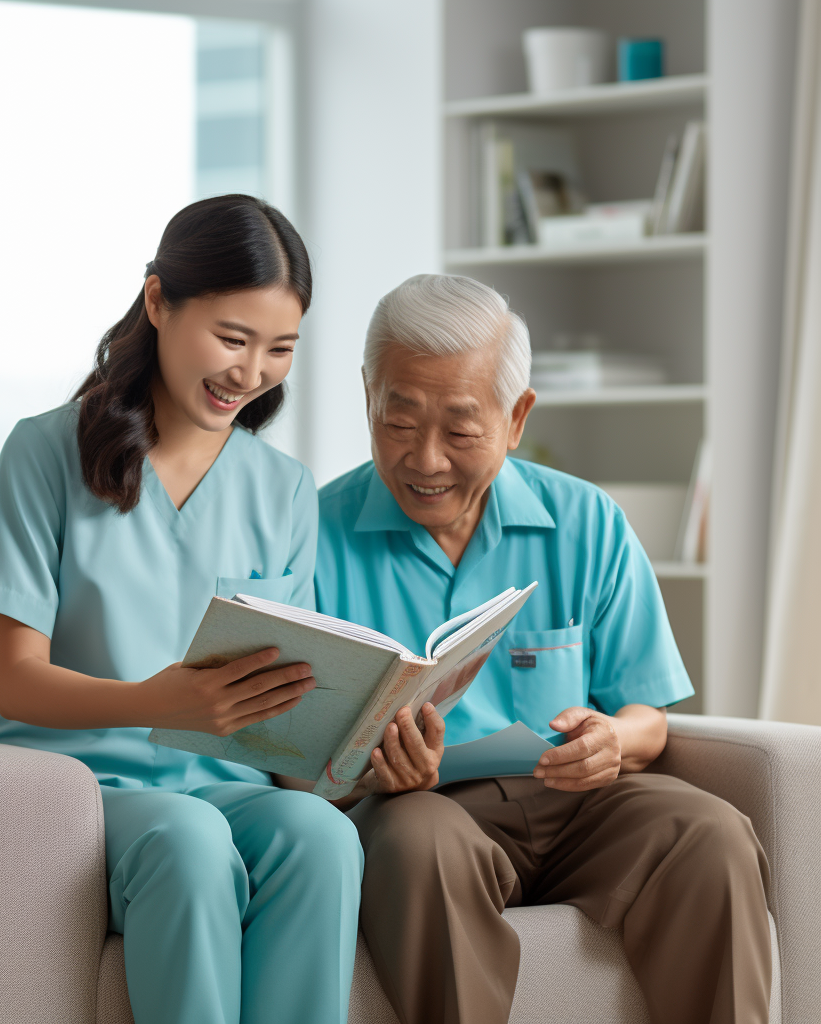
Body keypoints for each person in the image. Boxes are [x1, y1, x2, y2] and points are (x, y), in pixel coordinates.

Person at [314, 274, 771, 1024]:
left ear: (516, 415)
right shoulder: (314, 536)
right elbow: (291, 760)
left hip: (576, 802)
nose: (425, 460)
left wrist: (611, 739)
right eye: (398, 422)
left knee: (711, 834)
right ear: (369, 395)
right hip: (419, 810)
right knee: (417, 841)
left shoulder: (586, 521)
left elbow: (647, 716)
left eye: (460, 430)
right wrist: (367, 769)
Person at [0, 195, 363, 1024]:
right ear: (158, 304)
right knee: (189, 843)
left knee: (322, 837)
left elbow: (285, 700)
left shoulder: (285, 489)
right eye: (231, 337)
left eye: (279, 349)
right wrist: (158, 701)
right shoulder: (43, 452)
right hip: (77, 786)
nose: (250, 373)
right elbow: (16, 682)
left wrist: (358, 734)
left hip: (227, 785)